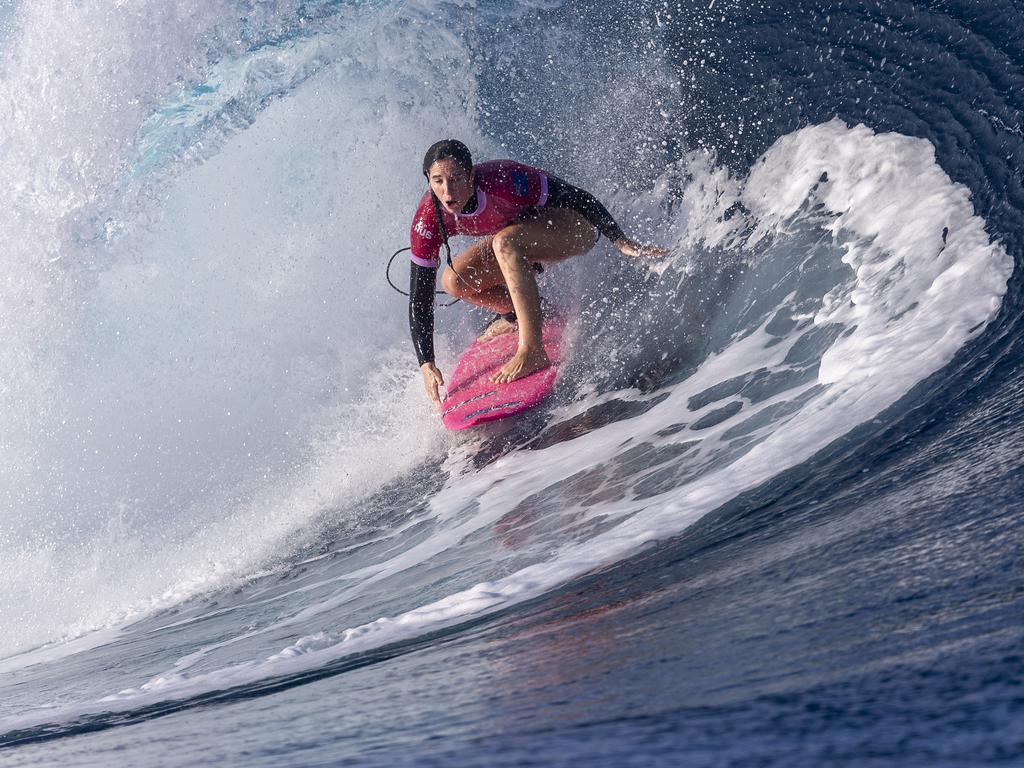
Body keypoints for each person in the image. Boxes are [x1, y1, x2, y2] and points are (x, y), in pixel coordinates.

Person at [409, 139, 665, 406]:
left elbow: (576, 196)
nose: (448, 191)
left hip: (573, 226)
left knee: (504, 242)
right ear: (428, 179)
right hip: (521, 239)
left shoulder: (503, 180)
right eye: (438, 181)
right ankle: (516, 314)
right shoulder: (428, 217)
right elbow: (419, 296)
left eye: (456, 178)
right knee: (453, 281)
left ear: (471, 175)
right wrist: (426, 363)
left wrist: (620, 239)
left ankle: (532, 351)